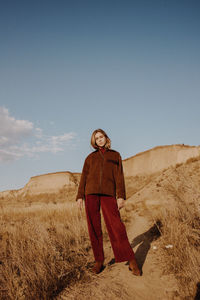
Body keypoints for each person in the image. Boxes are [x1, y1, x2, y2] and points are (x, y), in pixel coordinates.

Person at [76, 128, 141, 276]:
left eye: (101, 136)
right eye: (96, 138)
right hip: (90, 193)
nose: (99, 139)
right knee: (94, 227)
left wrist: (120, 196)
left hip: (108, 194)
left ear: (106, 138)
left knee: (116, 226)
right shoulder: (89, 158)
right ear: (94, 141)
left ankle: (130, 259)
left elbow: (119, 177)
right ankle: (99, 260)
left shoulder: (115, 155)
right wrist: (80, 196)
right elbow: (84, 178)